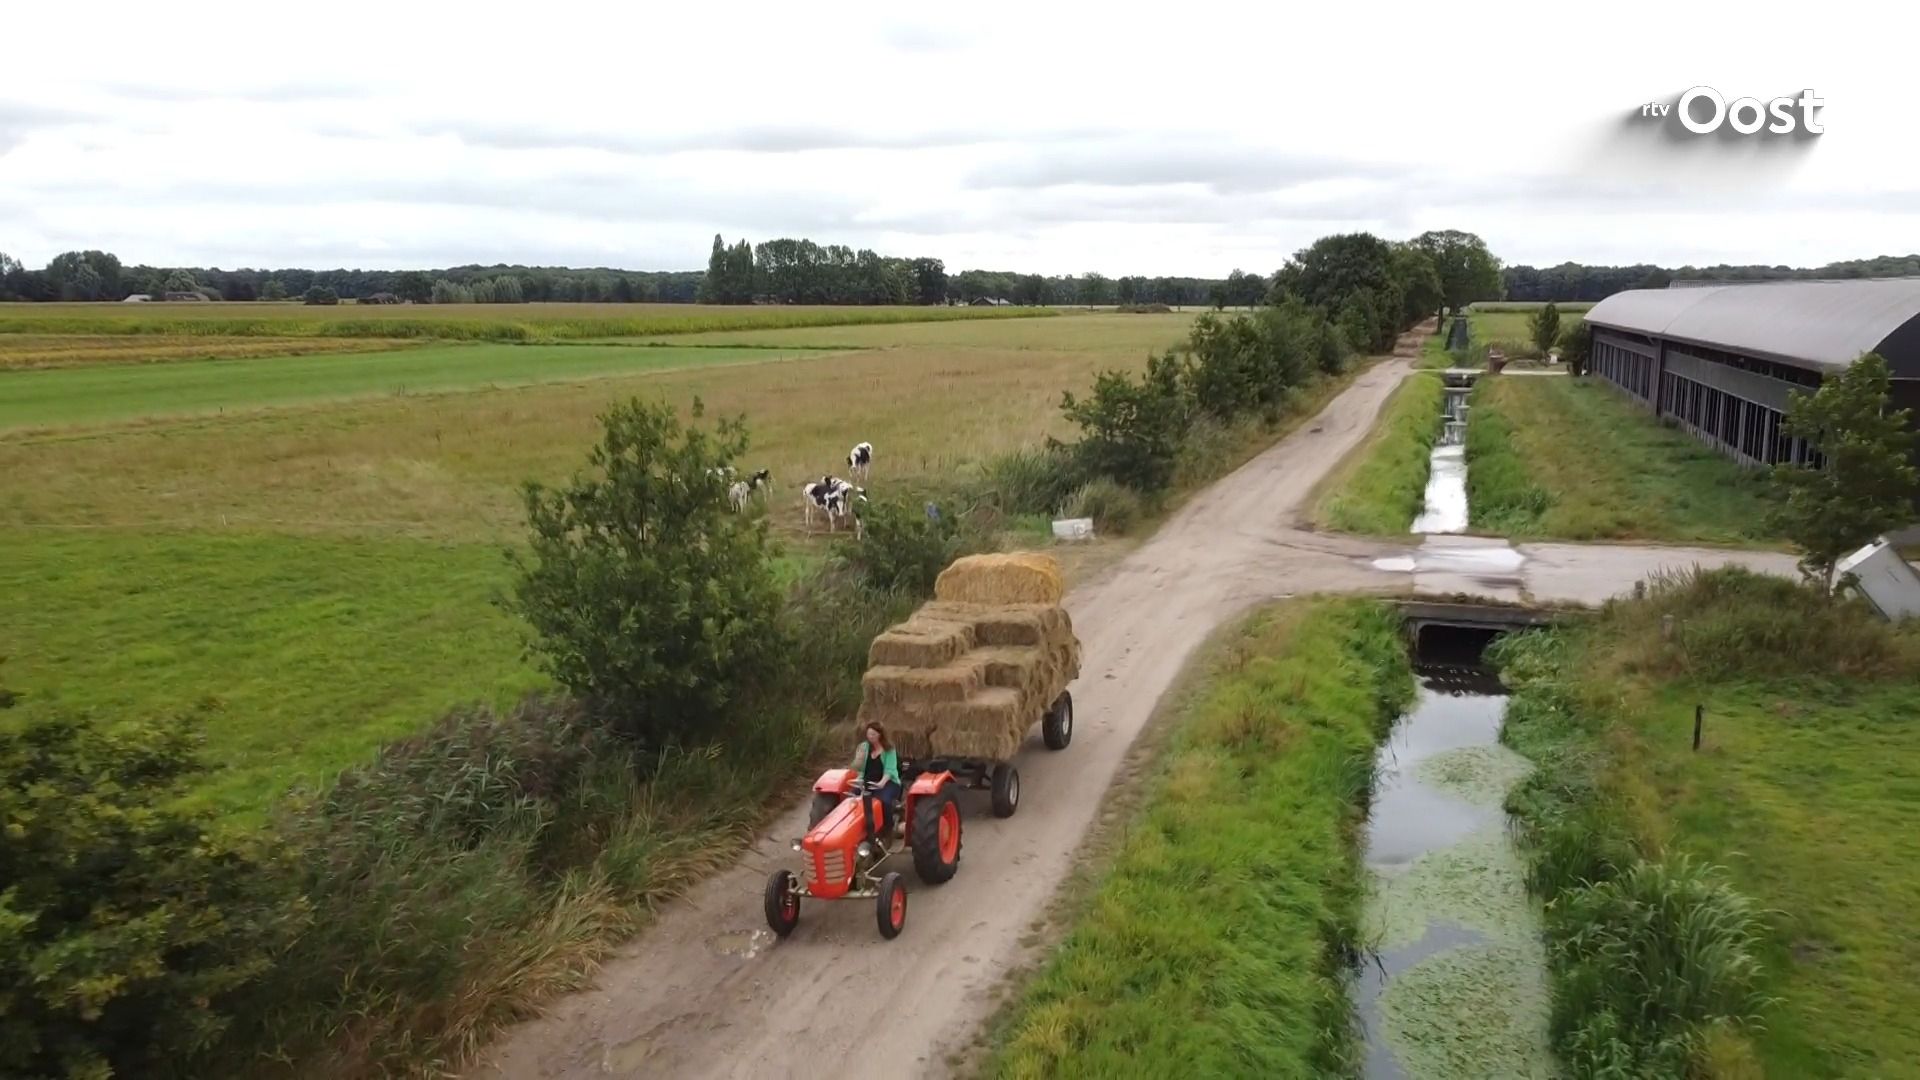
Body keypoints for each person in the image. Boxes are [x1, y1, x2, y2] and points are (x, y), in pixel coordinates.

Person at [851, 721, 901, 840]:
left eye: (873, 734)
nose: (870, 737)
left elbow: (890, 769)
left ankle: (887, 830)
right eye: (868, 734)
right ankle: (859, 830)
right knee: (852, 799)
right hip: (868, 781)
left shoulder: (889, 749)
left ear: (880, 735)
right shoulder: (864, 747)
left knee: (884, 800)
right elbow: (858, 767)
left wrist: (881, 783)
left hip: (887, 782)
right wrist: (858, 769)